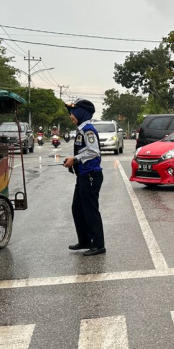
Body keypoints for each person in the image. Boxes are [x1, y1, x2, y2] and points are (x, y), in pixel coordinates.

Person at [63, 99, 106, 256]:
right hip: (83, 174)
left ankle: (99, 245)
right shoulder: (81, 129)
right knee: (77, 208)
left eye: (73, 113)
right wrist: (73, 160)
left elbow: (94, 151)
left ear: (82, 113)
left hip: (91, 175)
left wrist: (75, 159)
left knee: (90, 210)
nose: (71, 116)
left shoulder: (88, 130)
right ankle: (85, 241)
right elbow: (84, 150)